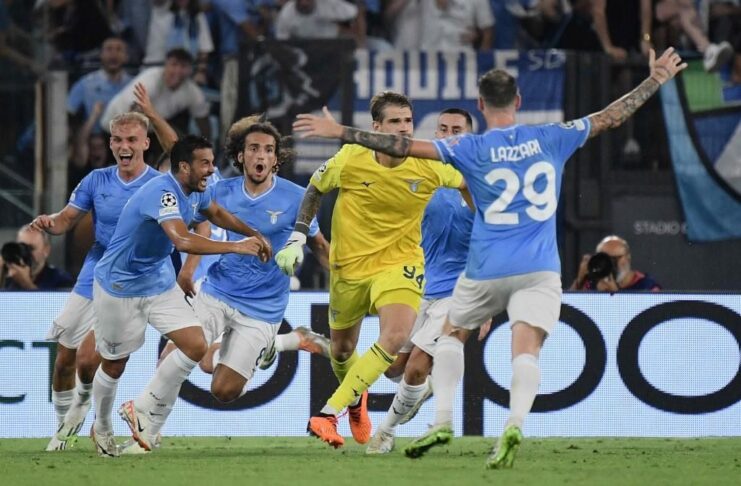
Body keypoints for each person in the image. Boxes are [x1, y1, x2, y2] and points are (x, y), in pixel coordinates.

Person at [291, 47, 686, 467]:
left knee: (434, 350)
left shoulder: (468, 151)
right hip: (534, 268)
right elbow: (610, 117)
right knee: (518, 351)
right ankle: (513, 422)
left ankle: (416, 423)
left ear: (480, 106)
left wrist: (341, 131)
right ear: (519, 101)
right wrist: (655, 80)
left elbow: (399, 146)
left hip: (479, 274)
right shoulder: (551, 136)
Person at [115, 116, 332, 454]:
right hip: (218, 291)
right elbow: (191, 211)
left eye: (268, 150)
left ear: (276, 159)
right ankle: (147, 430)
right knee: (179, 351)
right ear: (241, 156)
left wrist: (346, 283)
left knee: (224, 390)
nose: (261, 155)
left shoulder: (296, 197)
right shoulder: (220, 191)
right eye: (254, 148)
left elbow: (318, 245)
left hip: (263, 307)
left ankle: (281, 342)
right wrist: (187, 269)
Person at [276, 91, 467, 449]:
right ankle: (355, 399)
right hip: (349, 269)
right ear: (376, 127)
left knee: (395, 336)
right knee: (342, 351)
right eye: (395, 121)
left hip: (400, 264)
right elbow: (315, 188)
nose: (404, 129)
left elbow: (469, 183)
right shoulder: (352, 157)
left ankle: (329, 412)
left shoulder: (429, 163)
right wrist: (298, 236)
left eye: (408, 121)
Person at [87, 135, 269, 457]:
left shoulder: (197, 190)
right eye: (205, 163)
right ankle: (101, 427)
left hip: (158, 282)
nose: (211, 170)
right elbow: (182, 240)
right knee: (114, 365)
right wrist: (236, 246)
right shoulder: (163, 193)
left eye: (212, 162)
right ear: (184, 167)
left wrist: (253, 233)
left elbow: (216, 213)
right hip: (119, 286)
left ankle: (141, 409)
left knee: (196, 344)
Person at [37, 112, 160, 451]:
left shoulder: (158, 185)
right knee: (64, 356)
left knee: (90, 359)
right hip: (96, 269)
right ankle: (63, 428)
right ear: (110, 143)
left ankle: (88, 406)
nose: (124, 146)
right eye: (117, 140)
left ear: (145, 143)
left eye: (131, 140)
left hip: (133, 277)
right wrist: (49, 223)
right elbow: (66, 219)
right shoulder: (96, 180)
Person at [366, 108, 477, 455]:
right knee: (393, 369)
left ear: (469, 138)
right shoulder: (422, 176)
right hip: (416, 285)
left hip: (458, 292)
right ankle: (420, 391)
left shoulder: (482, 184)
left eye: (456, 130)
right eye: (442, 129)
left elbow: (494, 242)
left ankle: (385, 432)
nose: (447, 135)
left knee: (415, 368)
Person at [100, 48, 211, 140]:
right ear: (166, 65)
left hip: (150, 130)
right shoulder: (151, 78)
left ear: (190, 70)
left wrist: (207, 147)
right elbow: (134, 111)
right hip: (114, 126)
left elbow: (203, 122)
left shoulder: (192, 92)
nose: (177, 71)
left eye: (183, 66)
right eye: (174, 64)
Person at [570, 235, 661, 291]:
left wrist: (614, 295)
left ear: (628, 257)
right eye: (606, 258)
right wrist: (580, 280)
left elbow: (651, 315)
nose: (611, 263)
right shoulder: (591, 284)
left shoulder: (647, 286)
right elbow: (569, 311)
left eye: (615, 258)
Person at [2, 225, 74, 291]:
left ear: (46, 250)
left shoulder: (61, 280)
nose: (26, 253)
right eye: (22, 247)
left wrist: (26, 284)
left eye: (30, 248)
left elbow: (57, 301)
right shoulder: (9, 275)